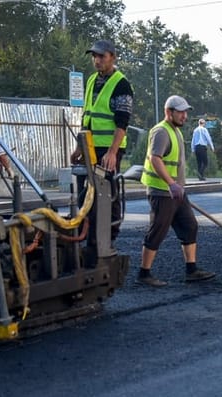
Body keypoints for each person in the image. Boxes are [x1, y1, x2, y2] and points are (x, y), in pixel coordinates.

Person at [136, 95, 216, 287]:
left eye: (185, 112)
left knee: (189, 225)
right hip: (162, 192)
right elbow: (155, 159)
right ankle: (144, 273)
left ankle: (191, 270)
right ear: (168, 112)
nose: (184, 116)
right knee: (158, 230)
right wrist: (171, 183)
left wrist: (177, 186)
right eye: (180, 112)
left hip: (176, 192)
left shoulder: (176, 131)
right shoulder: (161, 132)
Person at [70, 39, 133, 246]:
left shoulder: (121, 84)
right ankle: (88, 233)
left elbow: (122, 122)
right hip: (90, 147)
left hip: (108, 148)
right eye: (94, 56)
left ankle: (109, 235)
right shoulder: (91, 81)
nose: (96, 60)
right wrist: (80, 147)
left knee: (107, 191)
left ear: (112, 57)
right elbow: (86, 117)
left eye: (101, 56)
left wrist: (113, 152)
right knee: (87, 192)